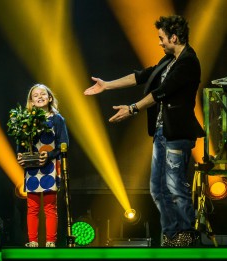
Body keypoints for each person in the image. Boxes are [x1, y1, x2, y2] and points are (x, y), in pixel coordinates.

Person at [84, 15, 205, 247]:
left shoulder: (188, 61)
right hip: (162, 132)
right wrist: (107, 85)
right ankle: (171, 235)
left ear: (174, 37)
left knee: (175, 185)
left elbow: (162, 91)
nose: (159, 43)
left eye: (161, 38)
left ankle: (187, 233)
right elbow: (140, 76)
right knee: (157, 188)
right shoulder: (168, 60)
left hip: (177, 134)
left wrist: (132, 108)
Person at [17, 83, 69, 248]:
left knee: (49, 206)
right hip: (32, 167)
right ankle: (32, 240)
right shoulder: (26, 119)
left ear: (50, 98)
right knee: (32, 206)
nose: (39, 97)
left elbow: (64, 144)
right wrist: (20, 153)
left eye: (43, 94)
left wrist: (50, 155)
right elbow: (21, 142)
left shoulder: (57, 118)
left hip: (51, 166)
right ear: (31, 102)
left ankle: (50, 241)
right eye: (35, 95)